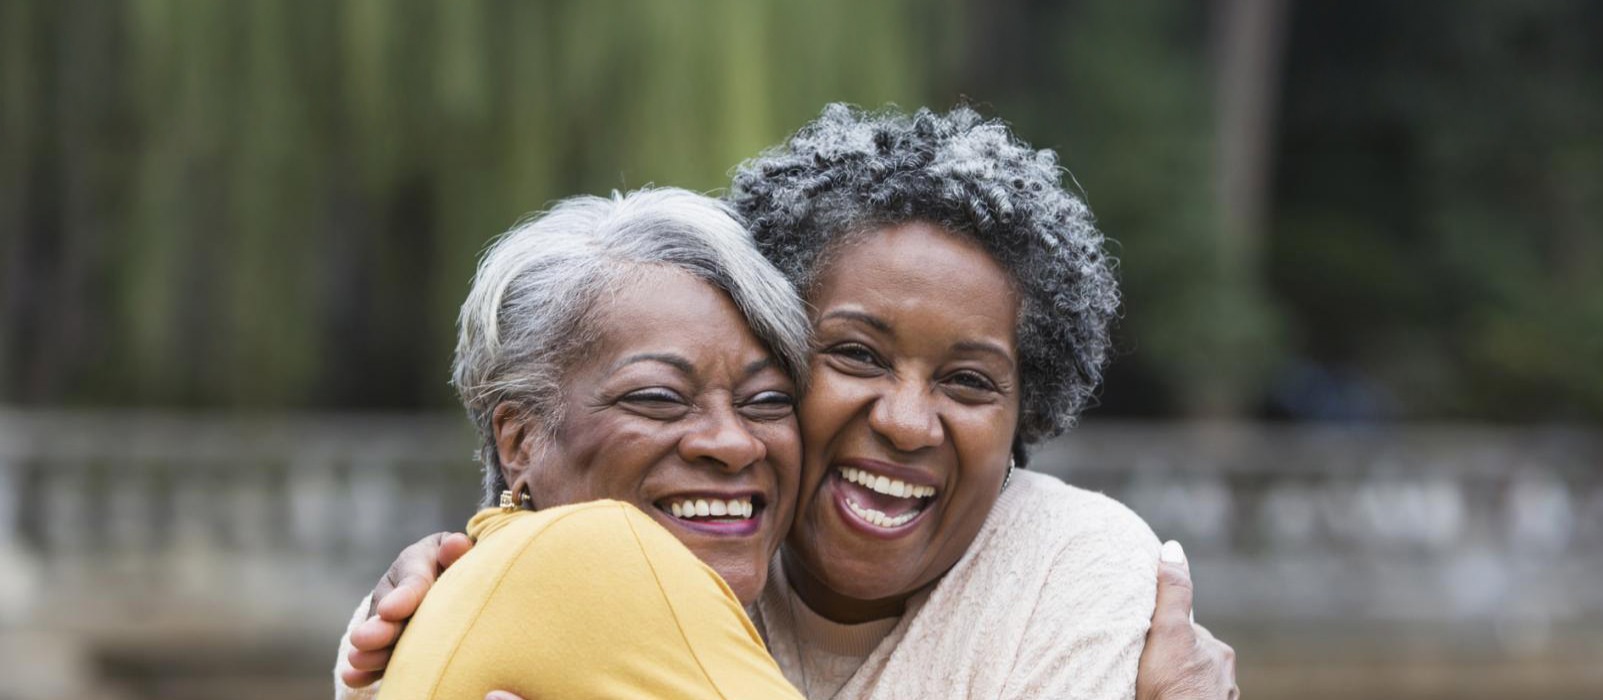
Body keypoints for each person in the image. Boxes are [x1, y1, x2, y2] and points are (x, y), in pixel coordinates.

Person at [339, 105, 1239, 700]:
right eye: (853, 355)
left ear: (1026, 412)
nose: (904, 419)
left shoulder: (1072, 567)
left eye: (969, 381)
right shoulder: (646, 554)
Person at [358, 189, 811, 698]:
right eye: (659, 397)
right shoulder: (603, 553)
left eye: (768, 400)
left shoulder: (486, 581)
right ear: (521, 439)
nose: (733, 442)